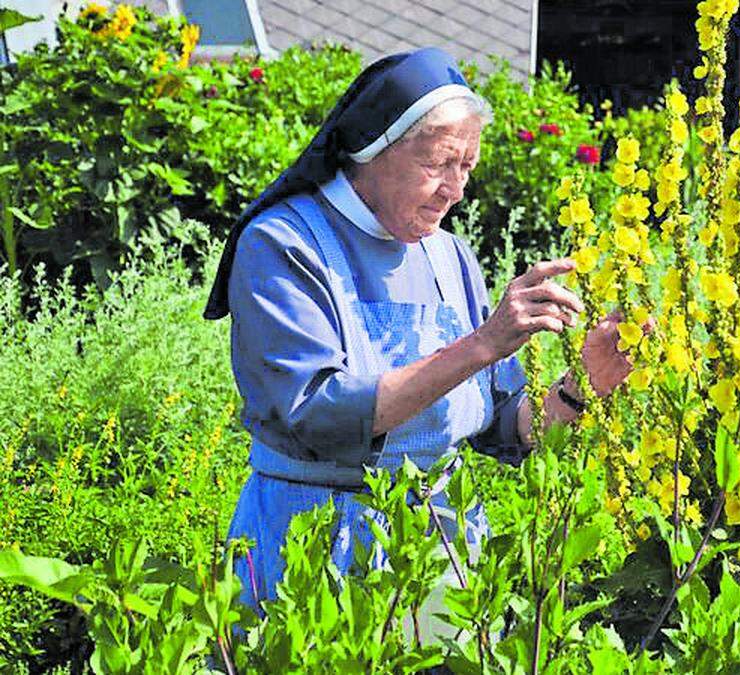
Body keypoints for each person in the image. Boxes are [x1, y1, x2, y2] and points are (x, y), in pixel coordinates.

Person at [202, 47, 631, 617]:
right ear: (371, 149)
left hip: (440, 550)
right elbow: (318, 415)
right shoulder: (283, 244)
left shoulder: (450, 257)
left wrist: (582, 385)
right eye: (438, 164)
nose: (455, 190)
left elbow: (501, 425)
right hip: (311, 544)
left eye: (467, 168)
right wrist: (482, 344)